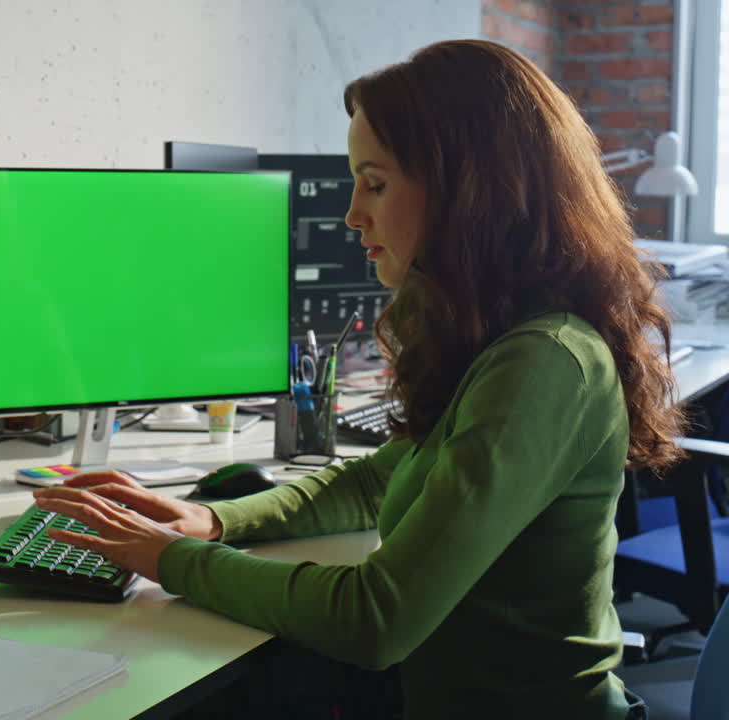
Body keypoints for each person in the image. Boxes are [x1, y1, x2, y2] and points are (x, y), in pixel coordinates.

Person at [33, 39, 686, 720]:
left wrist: (168, 560)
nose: (352, 215)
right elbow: (381, 477)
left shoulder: (546, 363)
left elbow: (377, 619)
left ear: (469, 190)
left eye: (375, 183)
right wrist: (211, 520)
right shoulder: (493, 336)